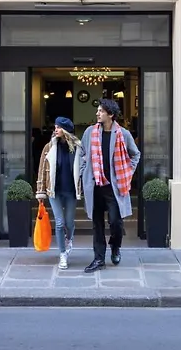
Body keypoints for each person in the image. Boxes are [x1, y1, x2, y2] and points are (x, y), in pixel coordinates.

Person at [80, 99, 140, 273]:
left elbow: (135, 154)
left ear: (111, 114)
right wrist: (84, 172)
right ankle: (99, 258)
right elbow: (82, 153)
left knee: (115, 222)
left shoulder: (123, 134)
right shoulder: (90, 132)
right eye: (98, 110)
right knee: (97, 224)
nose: (97, 113)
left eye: (101, 111)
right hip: (95, 185)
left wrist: (127, 172)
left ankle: (115, 246)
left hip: (114, 187)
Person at [35, 116, 84, 270]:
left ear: (66, 130)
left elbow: (83, 168)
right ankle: (63, 254)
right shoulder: (49, 147)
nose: (55, 130)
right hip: (54, 191)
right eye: (55, 127)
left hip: (70, 191)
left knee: (69, 223)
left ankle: (69, 240)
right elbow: (42, 170)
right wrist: (40, 192)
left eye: (58, 127)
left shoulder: (78, 148)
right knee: (59, 222)